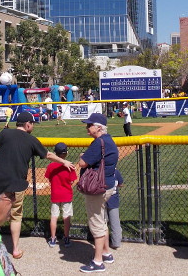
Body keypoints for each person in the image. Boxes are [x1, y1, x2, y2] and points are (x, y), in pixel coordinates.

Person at [0, 111, 74, 260]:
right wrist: (64, 161)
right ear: (27, 124)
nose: (33, 126)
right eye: (32, 124)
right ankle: (15, 249)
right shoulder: (31, 139)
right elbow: (47, 155)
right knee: (16, 217)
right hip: (18, 185)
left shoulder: (5, 133)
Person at [78, 113, 119, 273]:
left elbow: (82, 163)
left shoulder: (98, 142)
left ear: (99, 127)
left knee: (96, 222)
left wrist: (82, 157)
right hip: (108, 185)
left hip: (97, 187)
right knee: (101, 220)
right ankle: (107, 253)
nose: (87, 127)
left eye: (90, 125)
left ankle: (97, 261)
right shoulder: (109, 140)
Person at [45, 142, 77, 248]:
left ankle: (53, 239)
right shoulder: (70, 166)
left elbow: (49, 178)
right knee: (66, 216)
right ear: (66, 153)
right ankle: (66, 238)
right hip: (66, 194)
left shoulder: (51, 166)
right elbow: (72, 181)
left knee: (54, 216)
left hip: (55, 194)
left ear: (55, 153)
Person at [106, 168, 124, 250]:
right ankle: (116, 242)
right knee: (115, 222)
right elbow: (121, 184)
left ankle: (103, 242)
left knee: (103, 222)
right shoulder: (115, 171)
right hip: (113, 199)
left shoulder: (99, 170)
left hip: (101, 199)